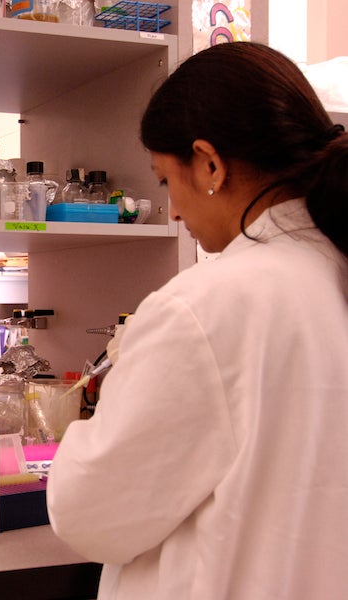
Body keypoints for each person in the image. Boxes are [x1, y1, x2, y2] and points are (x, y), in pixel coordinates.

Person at [46, 41, 348, 599]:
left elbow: (90, 515)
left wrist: (90, 427)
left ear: (210, 163)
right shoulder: (334, 271)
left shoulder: (207, 303)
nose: (177, 211)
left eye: (165, 181)